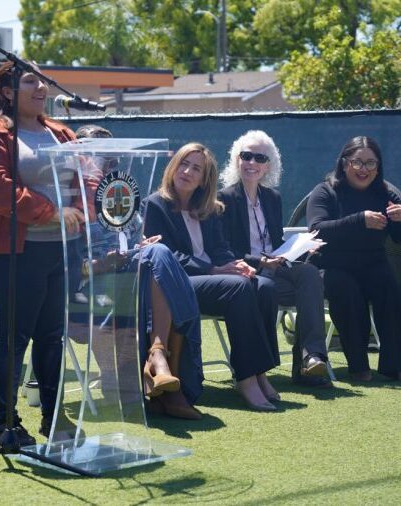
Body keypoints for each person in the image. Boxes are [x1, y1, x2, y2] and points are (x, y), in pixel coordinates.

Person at [0, 61, 88, 446]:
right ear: (7, 92)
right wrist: (51, 212)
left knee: (52, 337)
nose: (41, 88)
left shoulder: (60, 131)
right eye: (29, 81)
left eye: (42, 81)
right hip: (15, 252)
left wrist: (84, 209)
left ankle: (54, 419)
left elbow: (86, 176)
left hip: (60, 250)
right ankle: (5, 423)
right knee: (14, 337)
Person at [73, 124, 203, 419]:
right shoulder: (67, 200)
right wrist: (102, 264)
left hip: (130, 275)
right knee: (163, 263)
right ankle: (165, 376)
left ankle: (158, 362)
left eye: (114, 161)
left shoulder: (117, 194)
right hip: (92, 284)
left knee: (159, 254)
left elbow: (133, 238)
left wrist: (141, 243)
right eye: (103, 159)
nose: (110, 166)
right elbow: (64, 268)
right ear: (80, 157)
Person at [143, 142, 281, 411]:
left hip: (212, 282)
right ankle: (245, 378)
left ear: (204, 179)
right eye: (183, 164)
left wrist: (235, 264)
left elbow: (220, 250)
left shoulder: (210, 208)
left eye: (196, 168)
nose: (187, 171)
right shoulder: (156, 205)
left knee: (262, 285)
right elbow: (166, 257)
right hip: (177, 285)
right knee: (239, 288)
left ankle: (260, 372)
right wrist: (213, 270)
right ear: (173, 168)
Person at [218, 130, 332, 388]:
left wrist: (303, 248)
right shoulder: (224, 198)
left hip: (276, 270)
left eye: (260, 158)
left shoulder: (272, 198)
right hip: (246, 273)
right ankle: (260, 368)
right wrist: (260, 262)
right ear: (237, 159)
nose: (252, 163)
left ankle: (311, 357)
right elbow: (224, 250)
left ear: (269, 165)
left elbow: (276, 243)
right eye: (246, 156)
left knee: (310, 273)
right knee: (272, 285)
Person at [306, 136, 401, 381]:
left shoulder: (386, 193)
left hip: (373, 263)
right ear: (344, 163)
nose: (364, 169)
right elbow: (317, 229)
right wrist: (359, 220)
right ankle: (358, 366)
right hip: (332, 265)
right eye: (357, 162)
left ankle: (393, 365)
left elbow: (398, 239)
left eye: (371, 163)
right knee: (346, 289)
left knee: (389, 288)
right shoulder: (325, 190)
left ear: (378, 167)